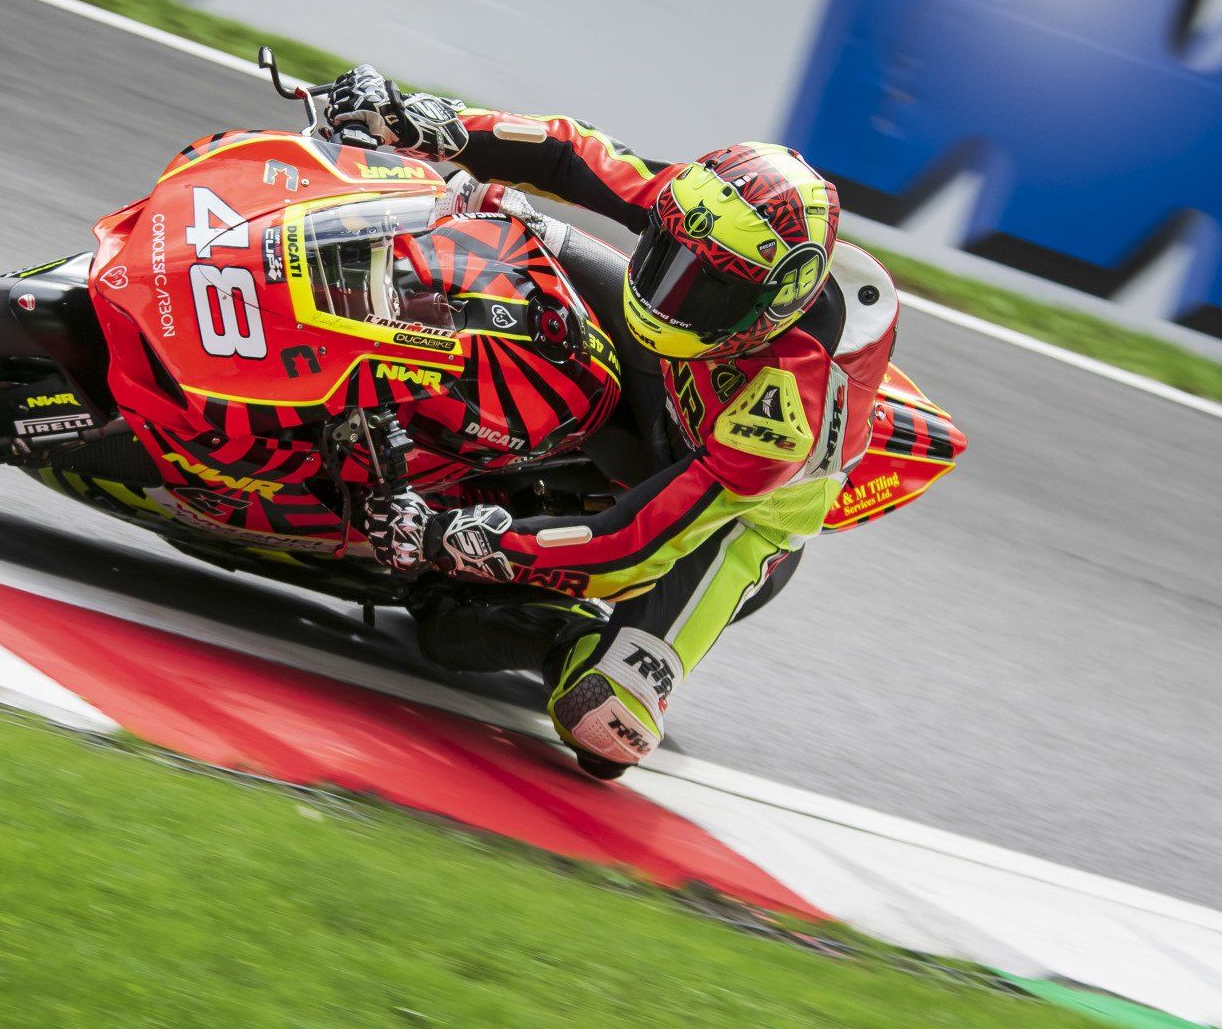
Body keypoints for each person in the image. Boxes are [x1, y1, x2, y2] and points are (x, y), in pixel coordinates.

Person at [325, 66, 900, 778]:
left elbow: (629, 543)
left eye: (703, 286)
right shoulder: (717, 220)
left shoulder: (784, 410)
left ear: (771, 301)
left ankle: (556, 641)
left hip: (730, 509)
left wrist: (451, 539)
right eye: (667, 257)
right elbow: (572, 152)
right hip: (690, 370)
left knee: (598, 712)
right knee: (485, 213)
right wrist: (419, 120)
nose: (668, 292)